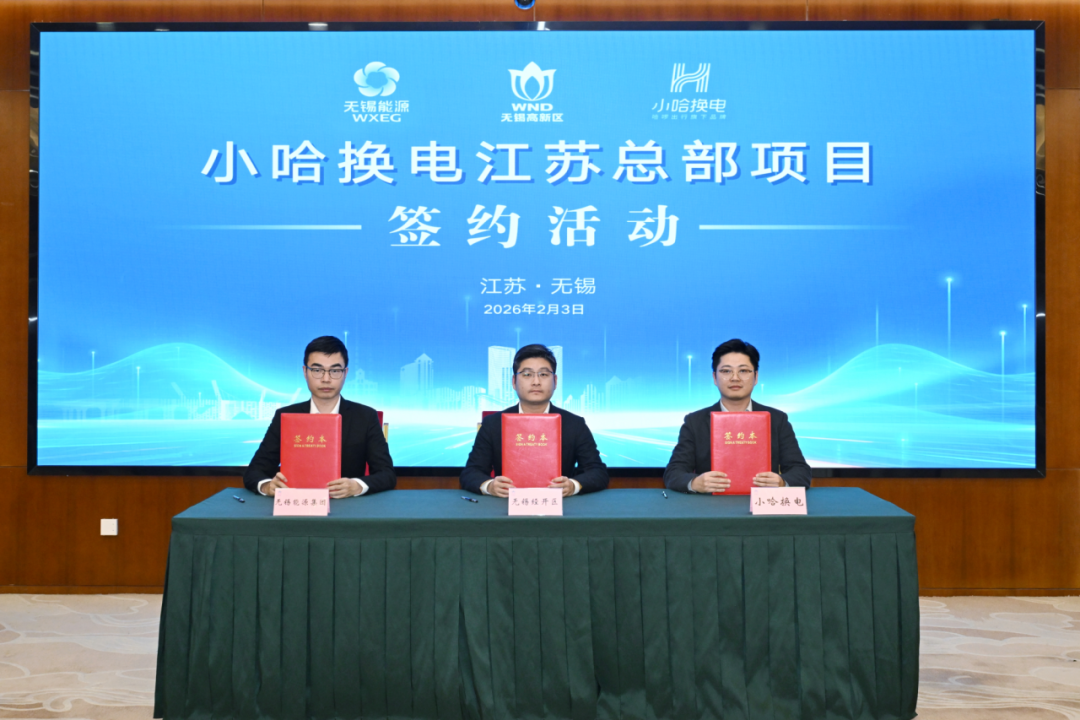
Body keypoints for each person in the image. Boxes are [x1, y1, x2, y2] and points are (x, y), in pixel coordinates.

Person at [243, 335, 395, 498]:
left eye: (335, 371)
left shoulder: (365, 417)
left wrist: (356, 486)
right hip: (296, 505)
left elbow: (387, 474)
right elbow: (255, 472)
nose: (326, 379)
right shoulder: (285, 416)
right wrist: (267, 486)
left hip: (347, 507)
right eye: (317, 370)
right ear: (305, 372)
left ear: (345, 373)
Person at [664, 338, 811, 493]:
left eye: (743, 371)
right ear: (714, 378)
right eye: (726, 371)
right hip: (710, 504)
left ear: (756, 377)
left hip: (762, 503)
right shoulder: (695, 422)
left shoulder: (776, 419)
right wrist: (694, 483)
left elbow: (801, 471)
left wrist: (781, 482)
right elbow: (673, 472)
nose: (735, 378)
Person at [461, 344, 609, 497]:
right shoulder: (493, 424)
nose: (536, 382)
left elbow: (597, 471)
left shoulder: (574, 424)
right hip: (506, 505)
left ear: (555, 381)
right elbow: (471, 472)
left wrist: (573, 486)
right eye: (527, 374)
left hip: (561, 506)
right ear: (514, 381)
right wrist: (490, 486)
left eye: (543, 374)